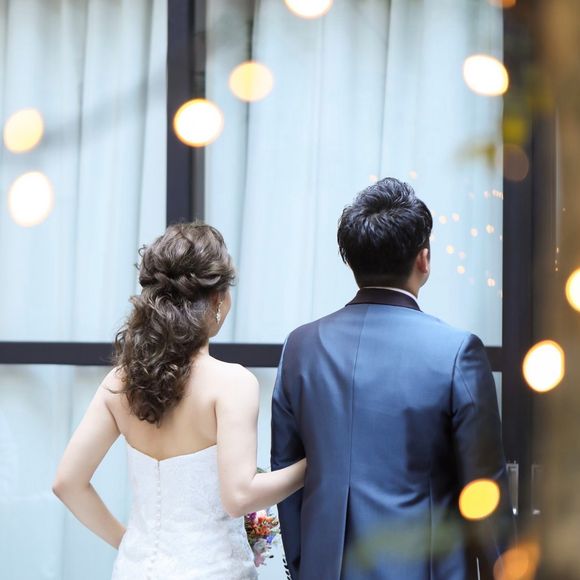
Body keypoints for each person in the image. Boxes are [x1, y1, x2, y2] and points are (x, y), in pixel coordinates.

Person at [271, 178, 513, 579]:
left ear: (352, 262)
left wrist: (303, 565)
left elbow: (287, 473)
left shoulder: (301, 347)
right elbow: (484, 488)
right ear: (424, 259)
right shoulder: (456, 351)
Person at [53, 222, 306, 579]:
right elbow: (239, 496)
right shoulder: (232, 383)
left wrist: (128, 543)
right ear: (218, 300)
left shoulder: (119, 382)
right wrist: (312, 465)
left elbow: (67, 483)